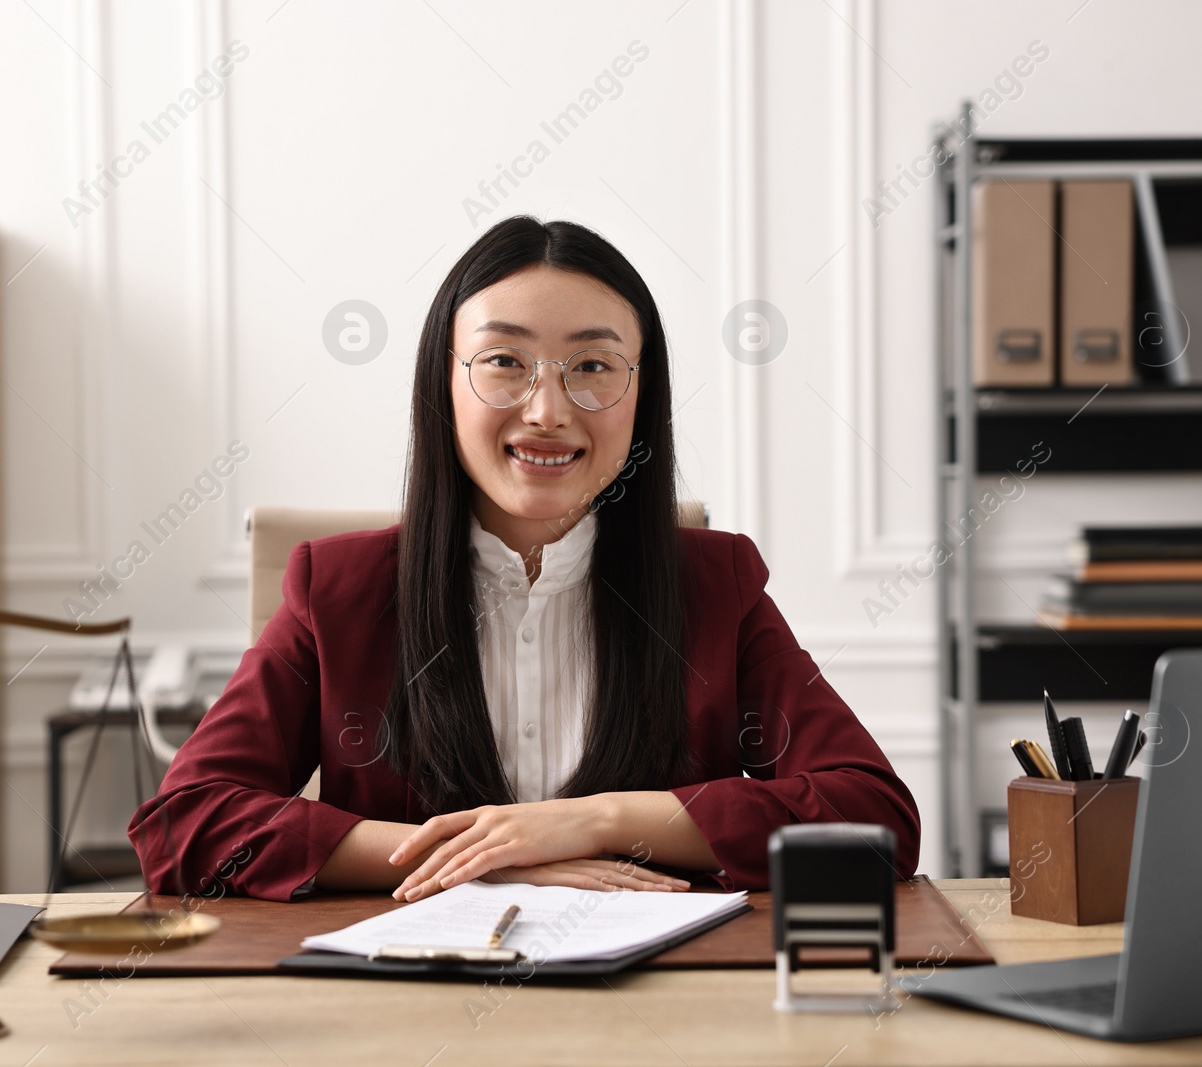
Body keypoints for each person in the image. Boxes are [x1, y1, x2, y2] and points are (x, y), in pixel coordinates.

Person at [129, 216, 919, 903]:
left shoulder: (717, 587)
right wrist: (479, 864)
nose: (547, 410)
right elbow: (184, 823)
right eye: (505, 362)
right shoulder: (335, 591)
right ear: (443, 382)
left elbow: (873, 817)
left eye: (593, 366)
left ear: (643, 395)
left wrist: (590, 822)